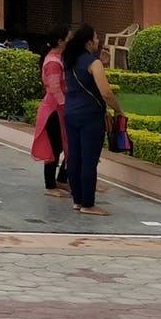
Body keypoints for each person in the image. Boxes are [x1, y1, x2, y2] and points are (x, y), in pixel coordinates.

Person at [61, 23, 121, 216]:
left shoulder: (69, 60)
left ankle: (77, 200)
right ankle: (88, 204)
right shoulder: (92, 63)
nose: (98, 41)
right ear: (88, 41)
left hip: (71, 113)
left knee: (75, 158)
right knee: (89, 160)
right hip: (90, 116)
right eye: (96, 38)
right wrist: (119, 110)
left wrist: (99, 62)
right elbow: (106, 92)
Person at [34, 32, 71, 199]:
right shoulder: (53, 62)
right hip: (53, 110)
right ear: (60, 40)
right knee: (54, 148)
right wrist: (65, 106)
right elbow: (55, 88)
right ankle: (50, 184)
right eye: (69, 37)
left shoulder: (58, 58)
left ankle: (61, 178)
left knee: (65, 145)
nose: (71, 40)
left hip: (57, 108)